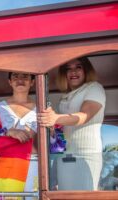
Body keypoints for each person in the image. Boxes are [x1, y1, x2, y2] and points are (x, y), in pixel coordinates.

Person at [38, 57, 106, 190]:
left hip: (86, 154)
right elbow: (62, 126)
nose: (73, 72)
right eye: (68, 69)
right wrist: (52, 127)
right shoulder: (66, 96)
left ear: (86, 70)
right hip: (64, 155)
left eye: (78, 67)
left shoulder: (95, 88)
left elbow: (84, 116)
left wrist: (55, 118)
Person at [0, 72, 38, 194]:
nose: (20, 80)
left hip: (33, 162)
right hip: (5, 162)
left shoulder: (41, 109)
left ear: (32, 82)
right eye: (15, 76)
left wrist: (51, 131)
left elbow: (55, 143)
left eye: (25, 76)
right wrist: (7, 132)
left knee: (33, 197)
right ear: (9, 82)